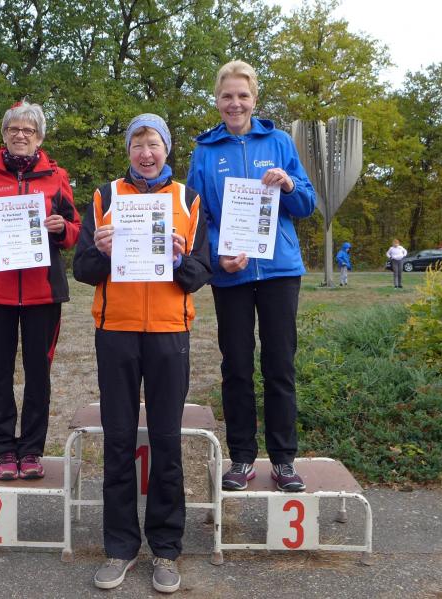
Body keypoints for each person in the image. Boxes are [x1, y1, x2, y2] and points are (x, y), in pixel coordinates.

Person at [73, 114, 211, 593]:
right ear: (128, 150)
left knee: (167, 442)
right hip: (116, 331)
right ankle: (120, 547)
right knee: (118, 441)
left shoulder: (188, 199)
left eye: (153, 144)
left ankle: (166, 549)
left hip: (170, 332)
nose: (145, 153)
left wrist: (179, 259)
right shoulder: (105, 196)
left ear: (166, 149)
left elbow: (201, 272)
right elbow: (82, 269)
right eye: (137, 144)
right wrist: (101, 251)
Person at [187, 60, 316, 493]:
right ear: (217, 100)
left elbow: (307, 205)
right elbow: (195, 218)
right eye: (227, 96)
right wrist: (218, 255)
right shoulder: (205, 152)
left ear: (255, 99)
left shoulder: (279, 142)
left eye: (243, 95)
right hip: (231, 275)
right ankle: (241, 458)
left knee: (280, 366)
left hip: (280, 271)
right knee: (237, 367)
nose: (235, 103)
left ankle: (283, 460)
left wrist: (289, 185)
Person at [0, 101, 81, 481]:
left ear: (39, 137)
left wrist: (61, 228)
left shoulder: (56, 176)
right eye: (14, 129)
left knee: (39, 374)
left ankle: (32, 450)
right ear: (4, 135)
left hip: (43, 292)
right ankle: (4, 450)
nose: (20, 135)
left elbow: (75, 229)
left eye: (28, 130)